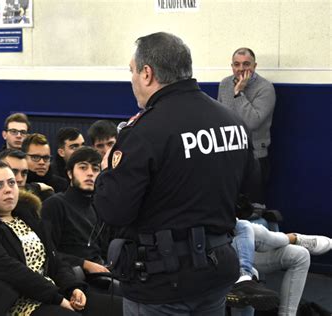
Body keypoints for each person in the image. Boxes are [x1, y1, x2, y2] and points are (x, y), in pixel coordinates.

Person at [93, 32, 259, 315]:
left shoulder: (144, 132)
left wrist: (106, 173)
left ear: (147, 73)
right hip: (216, 269)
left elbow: (114, 212)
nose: (132, 79)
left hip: (160, 283)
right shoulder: (232, 122)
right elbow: (251, 194)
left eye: (132, 72)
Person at [0, 160, 122, 315]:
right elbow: (12, 271)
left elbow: (54, 260)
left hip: (49, 292)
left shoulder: (27, 216)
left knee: (122, 308)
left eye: (11, 183)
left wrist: (73, 288)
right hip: (16, 303)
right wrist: (58, 298)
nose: (8, 189)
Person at [229, 219, 331, 315]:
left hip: (241, 244)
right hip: (223, 251)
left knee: (300, 254)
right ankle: (293, 238)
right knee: (246, 226)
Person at [218, 48, 276, 203]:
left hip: (255, 157)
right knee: (228, 205)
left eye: (246, 64)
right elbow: (220, 117)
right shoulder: (224, 84)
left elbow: (252, 122)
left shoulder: (265, 88)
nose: (241, 69)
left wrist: (238, 93)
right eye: (236, 64)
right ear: (232, 66)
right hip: (229, 156)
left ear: (255, 66)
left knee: (252, 209)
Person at [42, 147, 109, 274]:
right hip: (70, 279)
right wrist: (84, 264)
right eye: (83, 167)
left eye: (95, 169)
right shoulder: (55, 205)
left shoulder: (98, 208)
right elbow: (47, 252)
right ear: (69, 173)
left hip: (102, 275)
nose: (90, 173)